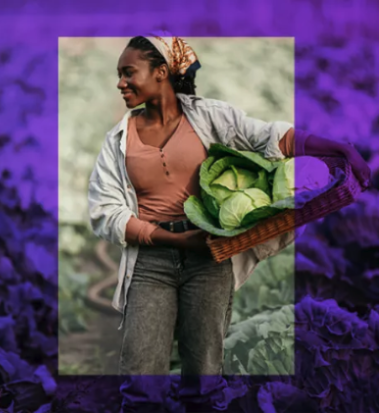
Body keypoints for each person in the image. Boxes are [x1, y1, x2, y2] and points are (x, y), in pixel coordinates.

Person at [87, 33, 371, 411]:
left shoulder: (210, 117)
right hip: (150, 261)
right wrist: (165, 238)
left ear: (161, 73)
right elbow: (105, 211)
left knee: (203, 377)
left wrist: (338, 148)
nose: (120, 83)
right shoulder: (118, 141)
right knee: (142, 381)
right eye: (119, 74)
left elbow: (267, 137)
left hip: (209, 256)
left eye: (128, 73)